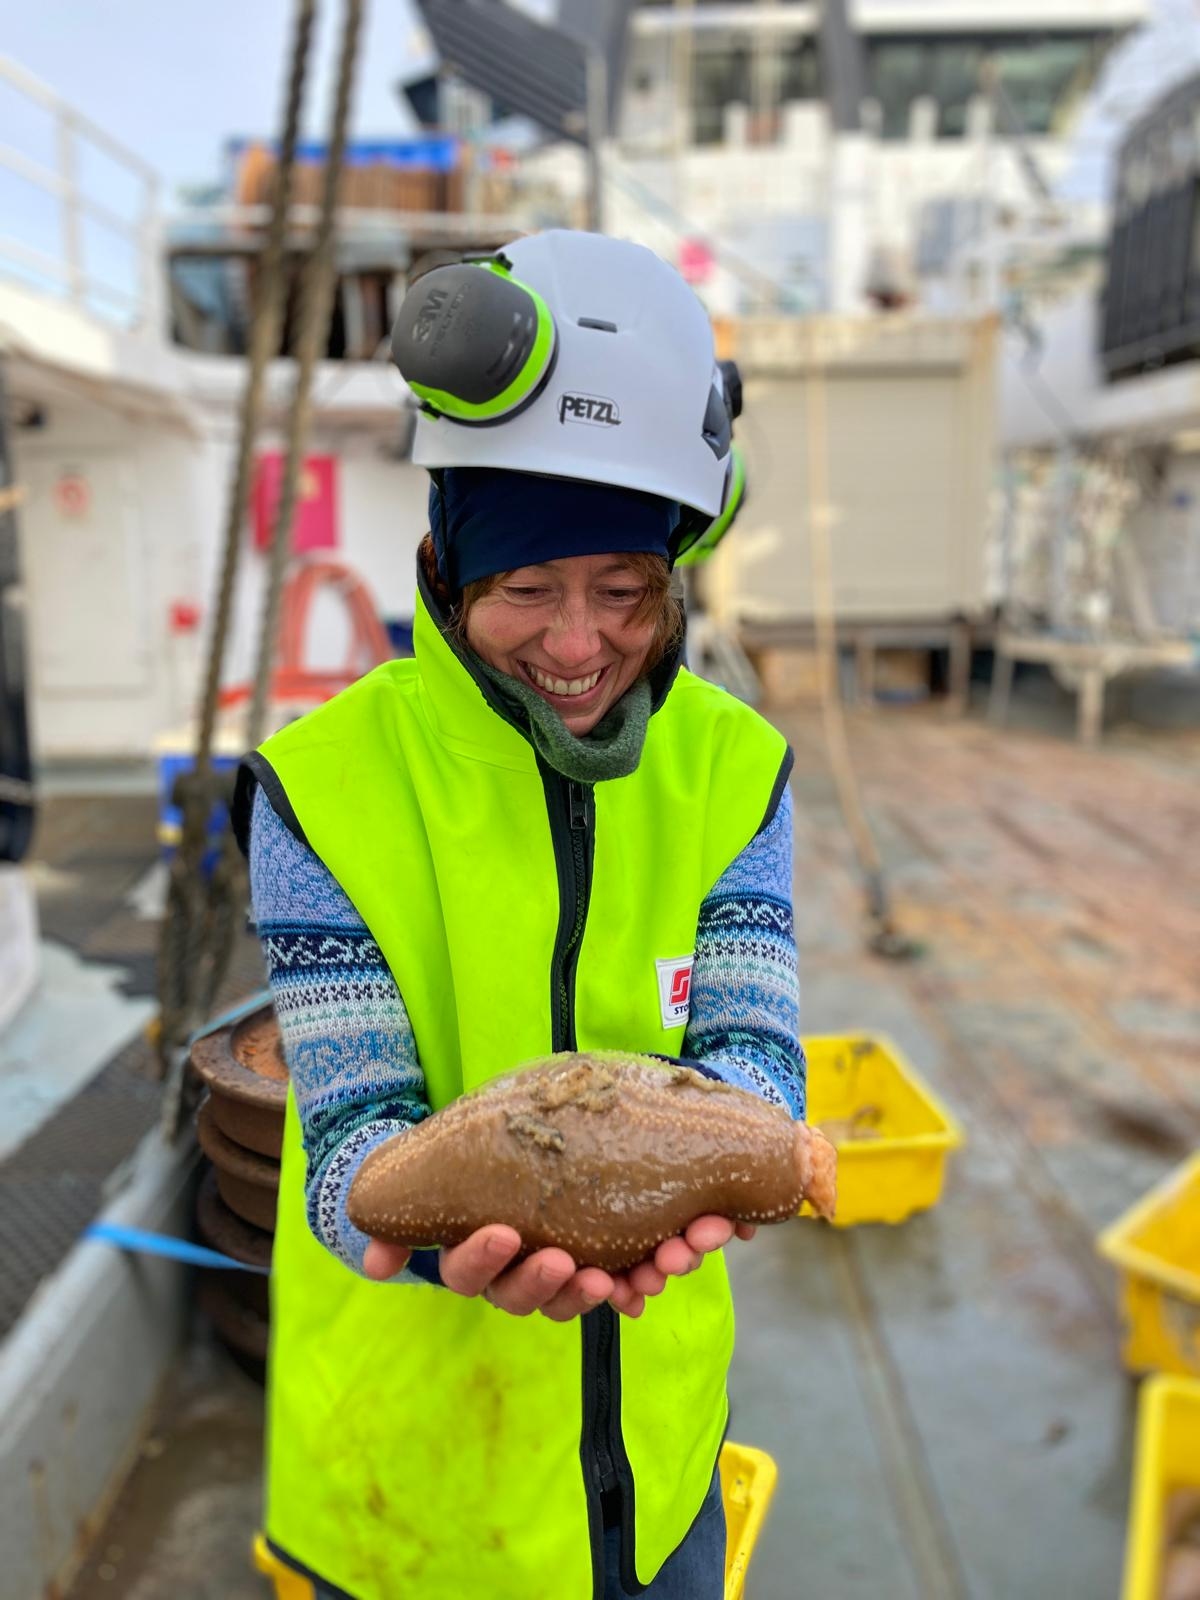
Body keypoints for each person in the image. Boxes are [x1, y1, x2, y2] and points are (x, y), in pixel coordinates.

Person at [233, 229, 805, 1600]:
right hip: (414, 1495)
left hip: (654, 1469)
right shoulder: (321, 786)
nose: (575, 644)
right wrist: (433, 1237)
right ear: (448, 565)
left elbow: (759, 1056)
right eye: (526, 589)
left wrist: (709, 1158)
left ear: (676, 576)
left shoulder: (739, 769)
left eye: (622, 590)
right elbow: (347, 1153)